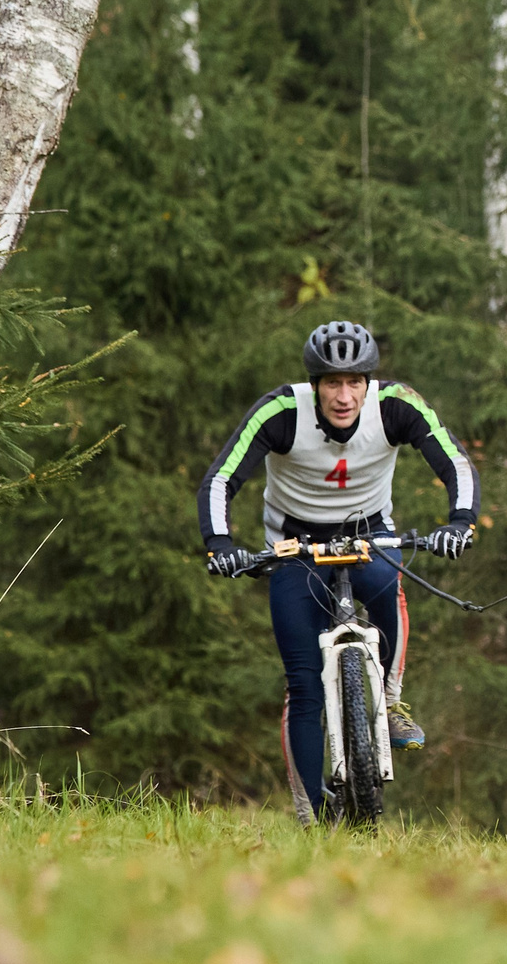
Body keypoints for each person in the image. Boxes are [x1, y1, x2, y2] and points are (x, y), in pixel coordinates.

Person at [197, 320, 479, 825]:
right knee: (304, 684)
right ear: (315, 384)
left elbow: (454, 462)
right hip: (294, 545)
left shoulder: (396, 405)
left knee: (387, 584)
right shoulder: (281, 411)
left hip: (369, 534)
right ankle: (311, 814)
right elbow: (221, 479)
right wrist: (221, 545)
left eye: (354, 382)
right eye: (332, 383)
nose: (344, 396)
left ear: (369, 383)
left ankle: (390, 700)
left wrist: (459, 522)